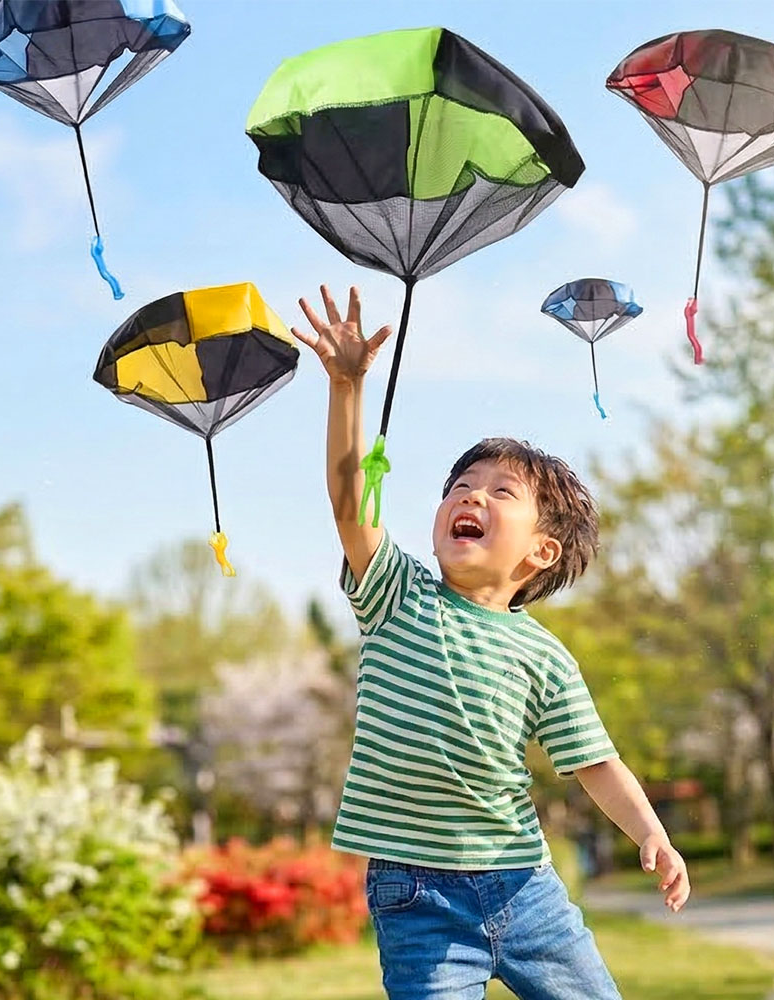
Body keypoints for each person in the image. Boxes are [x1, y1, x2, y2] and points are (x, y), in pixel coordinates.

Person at [292, 285, 690, 1000]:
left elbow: (595, 761)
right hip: (416, 898)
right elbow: (351, 506)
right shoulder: (398, 594)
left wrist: (650, 833)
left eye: (501, 492)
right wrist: (347, 388)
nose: (470, 496)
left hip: (524, 888)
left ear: (541, 551)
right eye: (461, 486)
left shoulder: (544, 657)